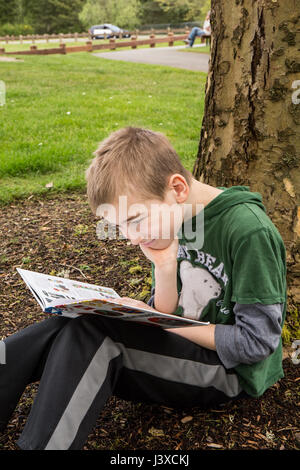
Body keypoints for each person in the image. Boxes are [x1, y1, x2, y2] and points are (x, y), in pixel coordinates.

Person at [0, 127, 287, 450]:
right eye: (121, 226)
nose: (132, 238)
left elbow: (255, 344)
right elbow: (164, 310)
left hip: (229, 373)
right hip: (178, 346)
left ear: (177, 188)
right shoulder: (168, 219)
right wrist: (165, 269)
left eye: (135, 219)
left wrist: (160, 321)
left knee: (97, 335)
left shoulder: (248, 231)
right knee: (72, 322)